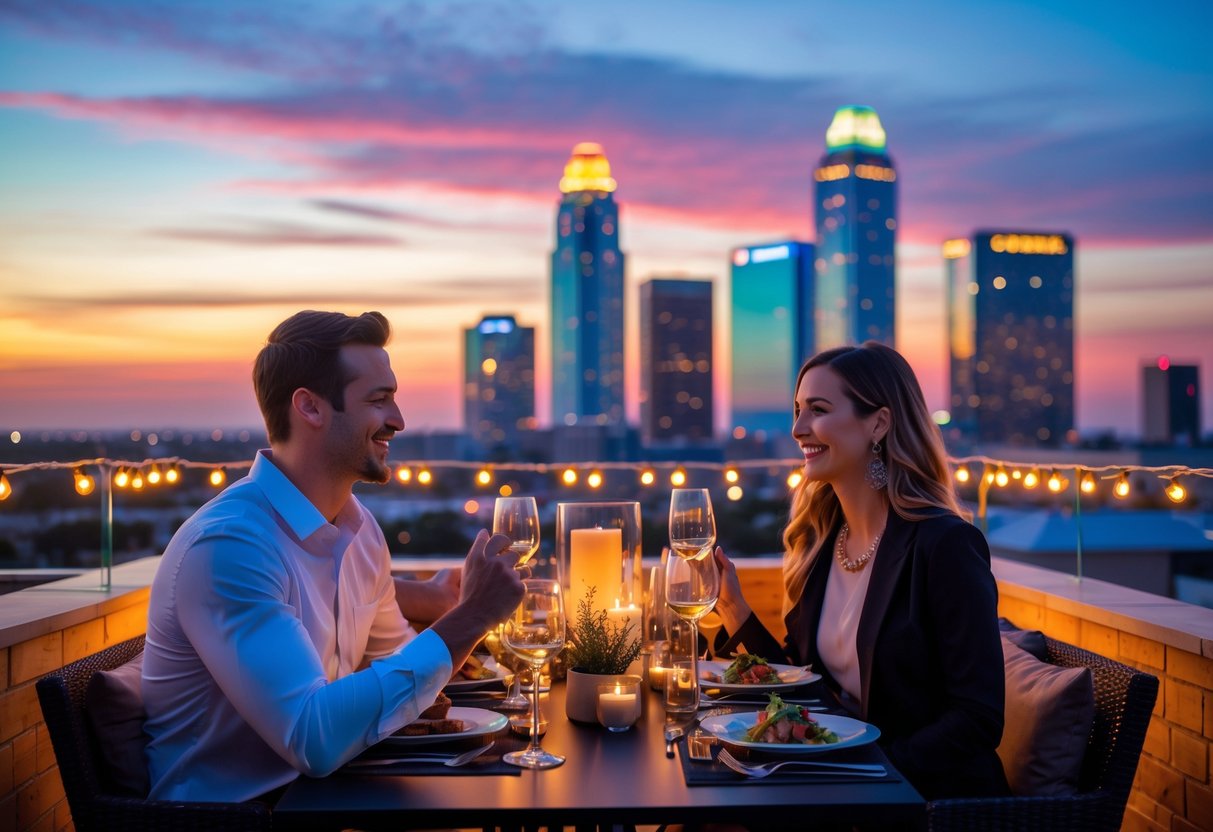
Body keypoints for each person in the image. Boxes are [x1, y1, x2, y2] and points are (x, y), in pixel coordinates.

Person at [142, 310, 525, 803]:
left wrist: (452, 689)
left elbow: (396, 659)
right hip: (243, 815)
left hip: (337, 796)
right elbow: (314, 738)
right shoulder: (230, 548)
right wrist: (472, 614)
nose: (399, 420)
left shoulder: (360, 530)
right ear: (311, 408)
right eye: (378, 399)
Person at [713, 342, 1010, 800]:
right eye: (797, 410)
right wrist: (734, 609)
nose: (797, 429)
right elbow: (804, 687)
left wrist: (869, 771)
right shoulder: (823, 542)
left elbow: (978, 717)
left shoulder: (945, 545)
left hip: (921, 800)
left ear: (879, 423)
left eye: (818, 409)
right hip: (837, 783)